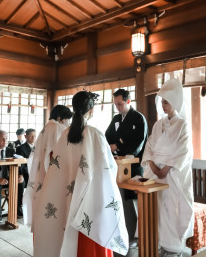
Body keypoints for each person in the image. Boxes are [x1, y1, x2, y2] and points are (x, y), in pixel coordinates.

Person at [33, 91, 128, 257]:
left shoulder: (65, 135)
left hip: (65, 197)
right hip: (89, 199)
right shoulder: (95, 134)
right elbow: (108, 168)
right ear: (91, 110)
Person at [141, 79, 194, 257]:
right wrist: (151, 164)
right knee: (155, 211)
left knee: (172, 210)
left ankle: (173, 248)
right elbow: (149, 146)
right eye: (162, 101)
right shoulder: (158, 124)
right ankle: (157, 244)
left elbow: (183, 150)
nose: (164, 105)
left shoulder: (183, 125)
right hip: (155, 172)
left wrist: (165, 169)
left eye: (167, 101)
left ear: (176, 101)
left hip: (171, 175)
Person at [105, 88, 148, 240]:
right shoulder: (116, 119)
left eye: (120, 104)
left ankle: (137, 235)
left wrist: (118, 146)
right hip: (118, 164)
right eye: (116, 104)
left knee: (133, 200)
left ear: (128, 101)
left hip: (133, 164)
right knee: (120, 199)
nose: (118, 107)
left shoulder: (138, 118)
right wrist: (111, 148)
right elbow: (107, 137)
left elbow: (139, 142)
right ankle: (123, 232)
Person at [23, 105, 73, 227]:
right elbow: (63, 151)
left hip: (43, 169)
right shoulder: (58, 128)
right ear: (60, 117)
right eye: (67, 119)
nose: (68, 122)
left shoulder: (46, 127)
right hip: (55, 169)